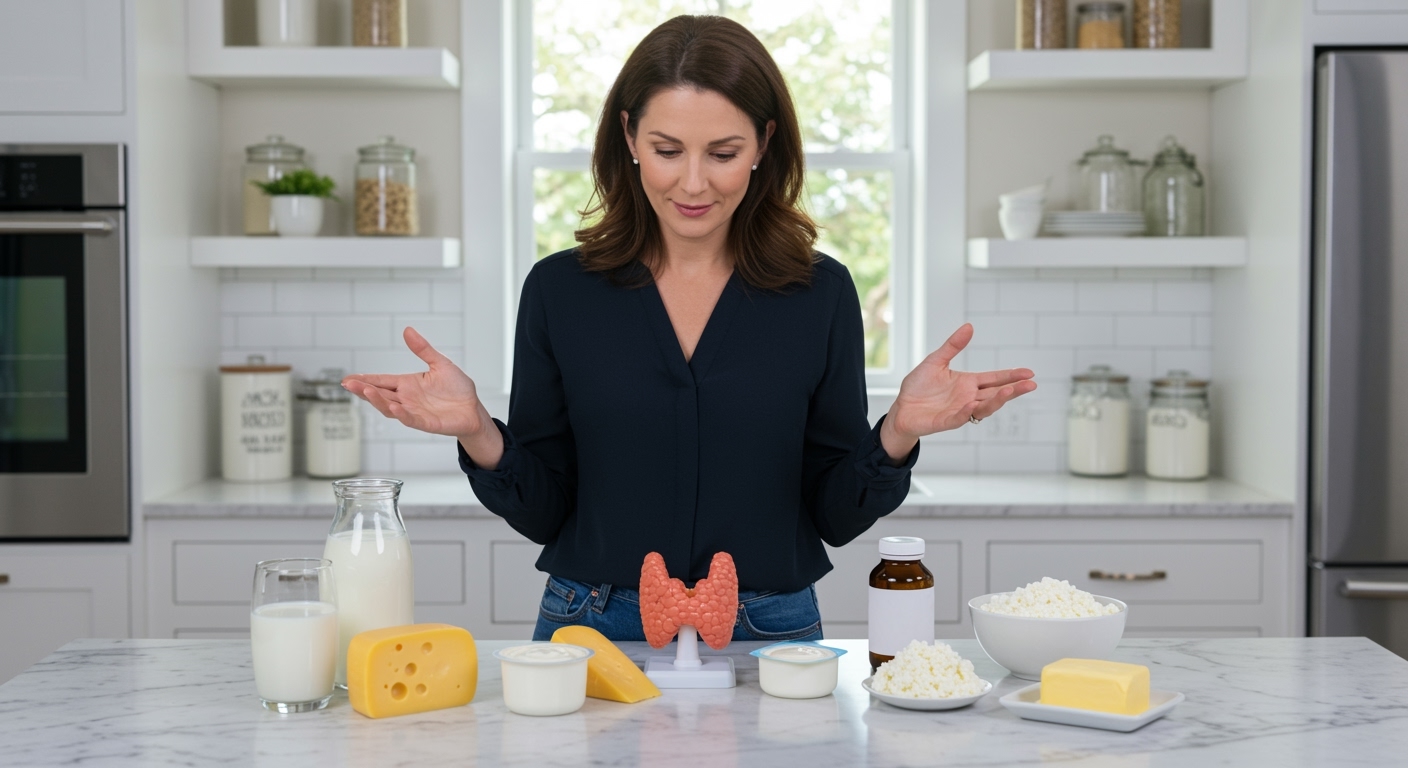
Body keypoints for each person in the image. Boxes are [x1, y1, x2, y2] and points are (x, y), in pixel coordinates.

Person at [342, 15, 1036, 643]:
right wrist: (479, 433)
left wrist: (897, 434)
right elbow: (548, 511)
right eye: (668, 149)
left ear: (765, 144)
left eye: (724, 152)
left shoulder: (818, 292)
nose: (694, 183)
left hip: (770, 626)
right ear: (628, 139)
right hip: (593, 623)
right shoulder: (559, 290)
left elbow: (833, 513)